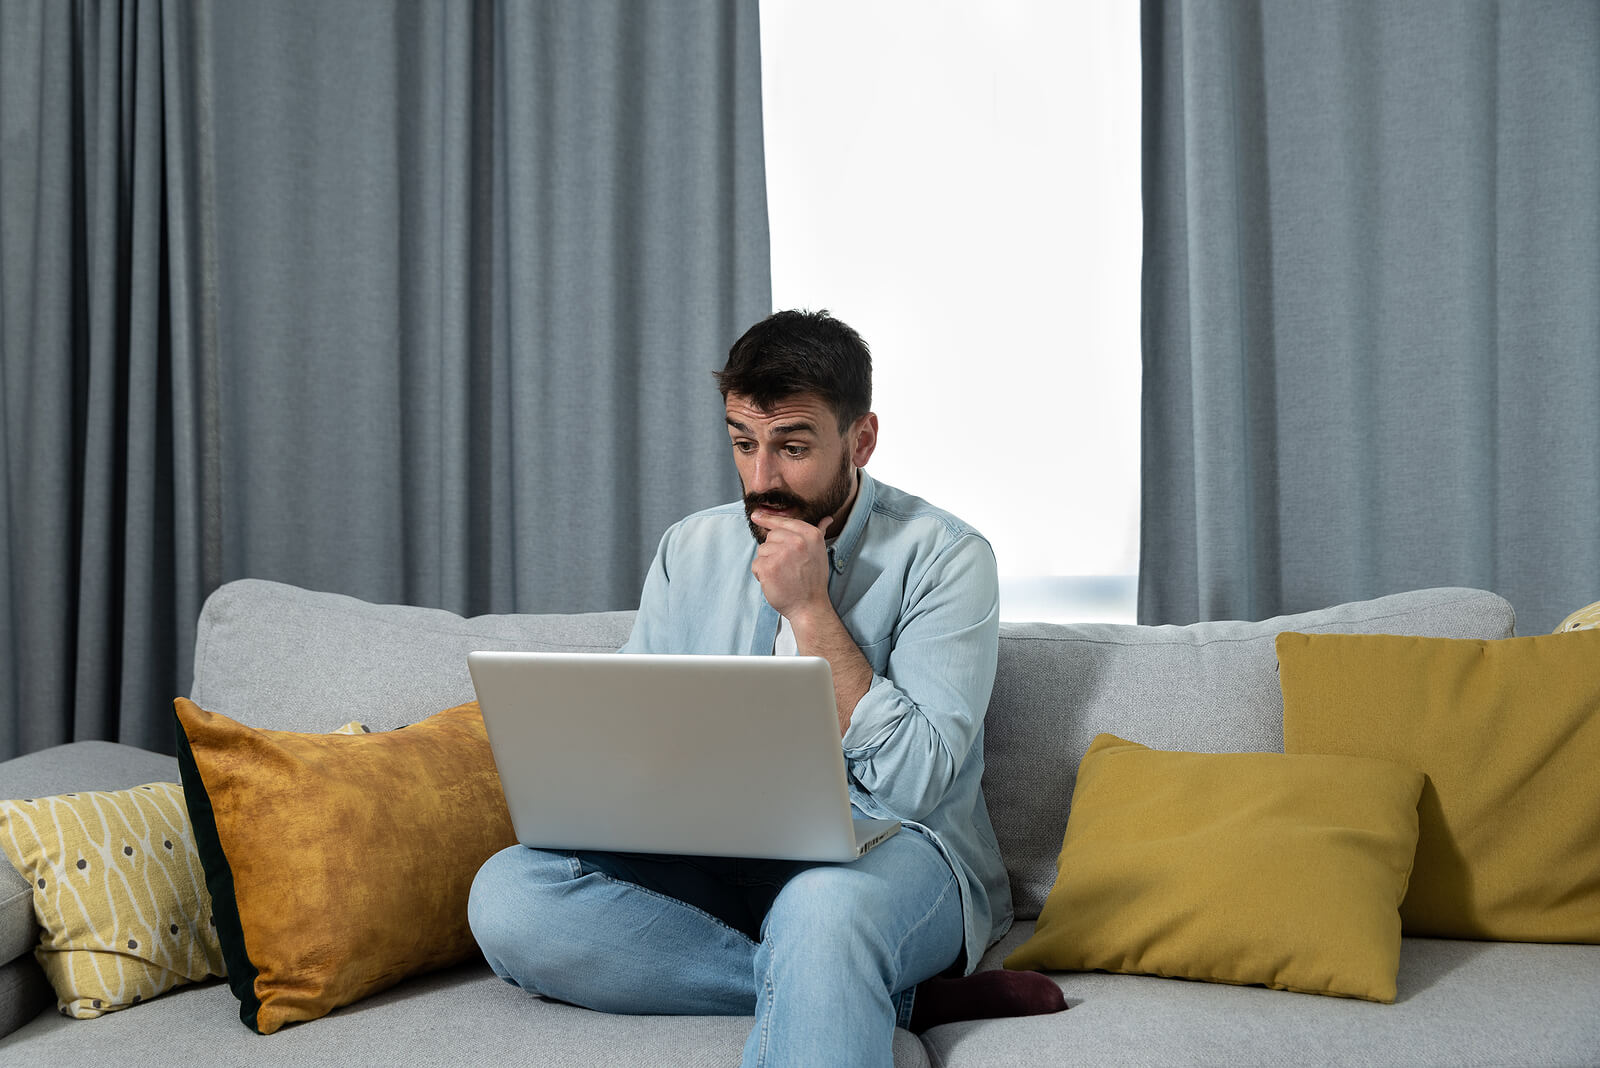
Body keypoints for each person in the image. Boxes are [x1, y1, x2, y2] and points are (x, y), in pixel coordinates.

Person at [468, 310, 1063, 1066]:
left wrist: (811, 611)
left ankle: (834, 966)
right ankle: (873, 993)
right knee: (510, 893)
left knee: (823, 910)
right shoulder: (690, 546)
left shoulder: (947, 558)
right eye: (744, 444)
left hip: (890, 853)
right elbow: (635, 726)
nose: (761, 481)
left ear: (861, 440)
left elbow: (916, 784)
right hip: (713, 851)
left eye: (793, 447)